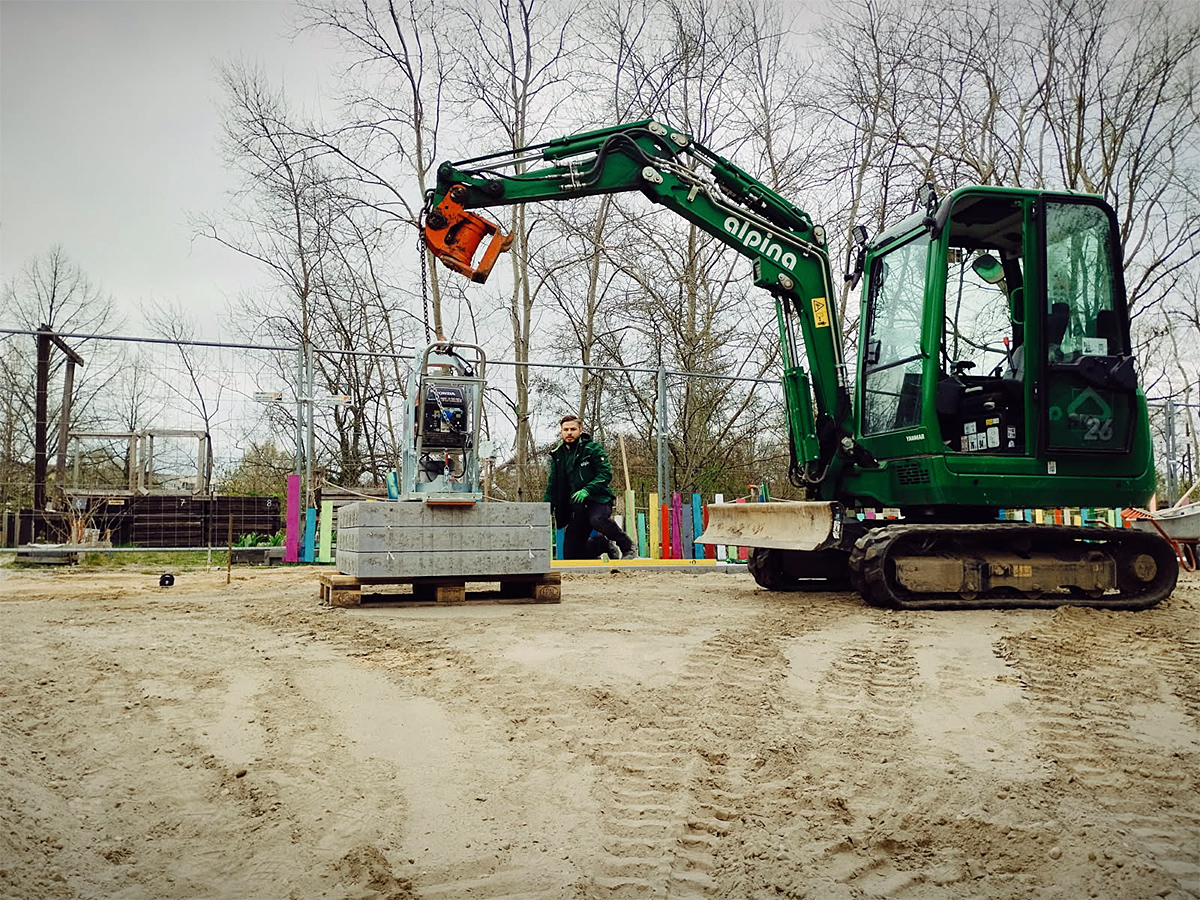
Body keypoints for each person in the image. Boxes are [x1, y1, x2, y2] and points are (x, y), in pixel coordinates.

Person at [544, 414, 638, 561]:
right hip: (577, 507)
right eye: (566, 429)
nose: (569, 432)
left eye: (573, 429)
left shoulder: (592, 449)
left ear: (580, 430)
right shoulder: (558, 455)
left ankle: (627, 546)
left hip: (598, 499)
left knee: (598, 519)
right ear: (561, 431)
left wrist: (587, 490)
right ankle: (601, 545)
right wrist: (545, 508)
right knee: (571, 556)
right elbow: (552, 485)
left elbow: (605, 474)